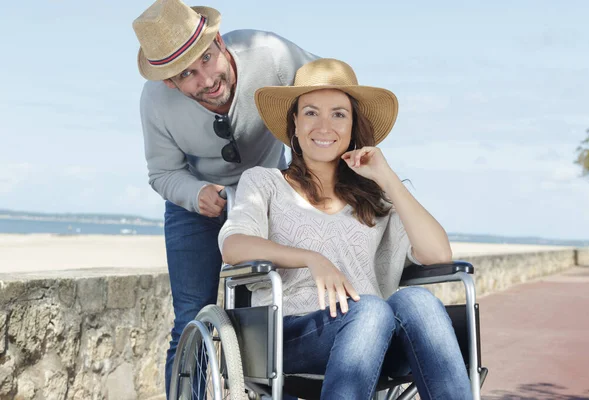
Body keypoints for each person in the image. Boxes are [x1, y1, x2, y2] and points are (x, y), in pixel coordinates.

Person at [218, 58, 473, 399]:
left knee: (418, 301)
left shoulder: (375, 198)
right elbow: (234, 246)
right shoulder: (265, 182)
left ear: (353, 126)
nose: (324, 126)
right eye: (311, 112)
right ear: (294, 123)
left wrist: (388, 178)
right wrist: (311, 258)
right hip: (293, 333)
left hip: (375, 334)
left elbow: (437, 253)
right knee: (369, 308)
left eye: (338, 114)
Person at [131, 0, 318, 394]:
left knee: (264, 319)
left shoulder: (270, 55)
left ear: (217, 40)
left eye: (208, 59)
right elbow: (162, 173)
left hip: (268, 199)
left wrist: (305, 173)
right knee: (189, 321)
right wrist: (195, 193)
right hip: (196, 208)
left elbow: (328, 90)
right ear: (170, 83)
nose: (207, 79)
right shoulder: (155, 103)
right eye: (188, 75)